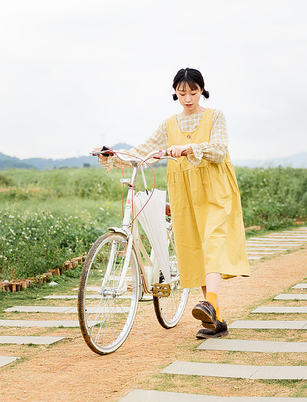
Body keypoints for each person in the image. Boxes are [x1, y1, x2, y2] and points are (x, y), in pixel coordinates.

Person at [93, 68, 249, 339]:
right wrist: (113, 154)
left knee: (212, 240)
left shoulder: (215, 116)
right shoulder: (169, 124)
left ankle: (210, 303)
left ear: (202, 91)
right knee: (194, 247)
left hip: (215, 188)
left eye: (193, 92)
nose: (187, 98)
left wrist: (187, 149)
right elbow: (142, 152)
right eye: (182, 92)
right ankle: (215, 319)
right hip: (184, 192)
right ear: (175, 92)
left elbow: (219, 149)